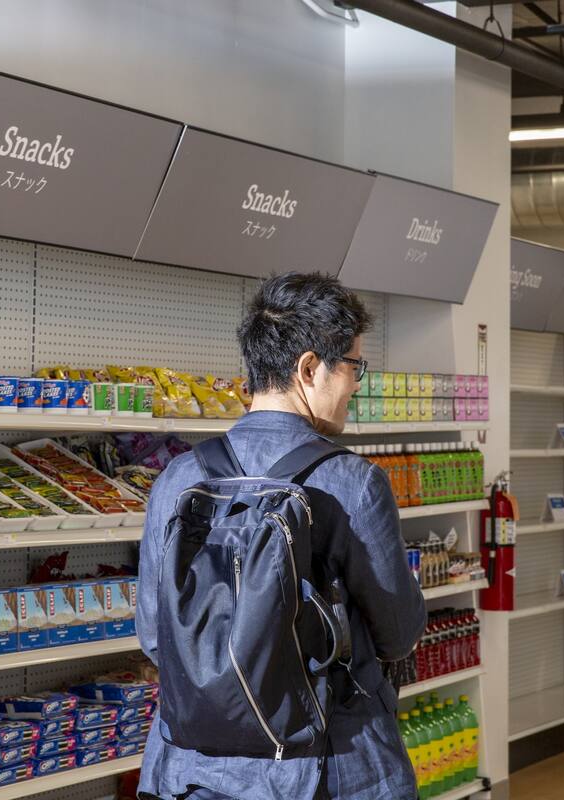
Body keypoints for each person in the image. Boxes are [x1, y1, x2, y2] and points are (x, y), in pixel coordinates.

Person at [136, 272, 428, 800]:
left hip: (191, 769)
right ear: (309, 368)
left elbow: (157, 636)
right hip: (326, 765)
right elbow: (399, 632)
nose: (356, 384)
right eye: (353, 367)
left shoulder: (178, 478)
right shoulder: (351, 482)